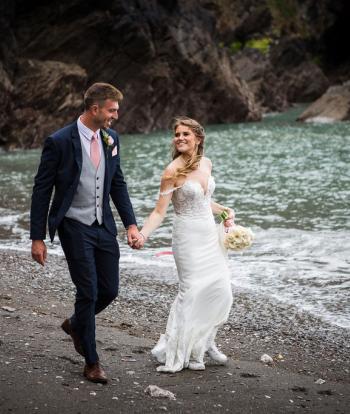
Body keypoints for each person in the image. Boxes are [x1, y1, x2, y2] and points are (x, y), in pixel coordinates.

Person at [30, 82, 142, 383]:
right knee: (88, 291)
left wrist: (131, 223)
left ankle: (76, 323)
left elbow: (117, 183)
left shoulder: (111, 138)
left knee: (109, 290)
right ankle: (92, 362)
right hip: (73, 225)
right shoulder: (60, 141)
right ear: (95, 109)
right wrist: (37, 237)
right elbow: (42, 189)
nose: (115, 116)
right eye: (112, 110)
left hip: (103, 224)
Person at [135, 116, 234, 372]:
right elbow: (159, 212)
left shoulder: (207, 163)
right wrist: (143, 235)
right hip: (187, 237)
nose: (180, 138)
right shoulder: (172, 171)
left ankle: (204, 342)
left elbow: (204, 200)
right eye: (177, 134)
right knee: (191, 292)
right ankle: (180, 351)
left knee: (221, 289)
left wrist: (224, 210)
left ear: (198, 139)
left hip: (209, 237)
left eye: (185, 134)